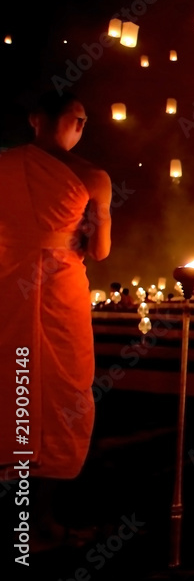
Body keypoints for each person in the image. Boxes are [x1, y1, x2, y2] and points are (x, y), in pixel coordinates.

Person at [0, 91, 111, 546]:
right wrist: (83, 231)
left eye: (84, 122)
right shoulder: (92, 176)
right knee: (42, 393)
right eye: (74, 120)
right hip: (47, 284)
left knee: (31, 388)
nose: (80, 129)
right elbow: (101, 251)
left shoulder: (4, 165)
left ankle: (29, 521)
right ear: (37, 119)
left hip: (14, 285)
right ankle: (33, 523)